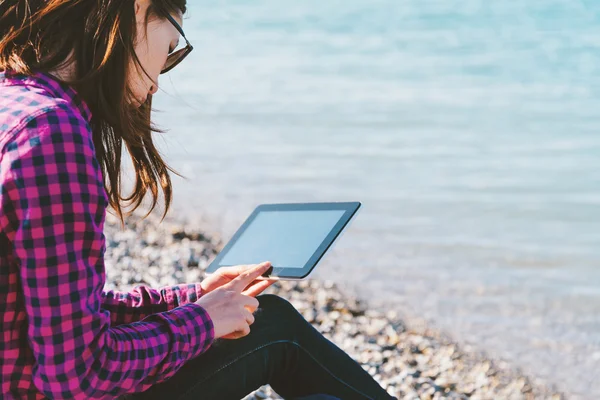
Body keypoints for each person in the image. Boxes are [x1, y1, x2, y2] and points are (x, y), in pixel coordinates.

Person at [0, 1, 398, 399]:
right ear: (138, 9)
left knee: (271, 322)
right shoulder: (51, 133)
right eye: (171, 48)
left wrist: (195, 299)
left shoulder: (13, 102)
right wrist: (203, 322)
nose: (157, 82)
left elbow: (58, 316)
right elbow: (80, 375)